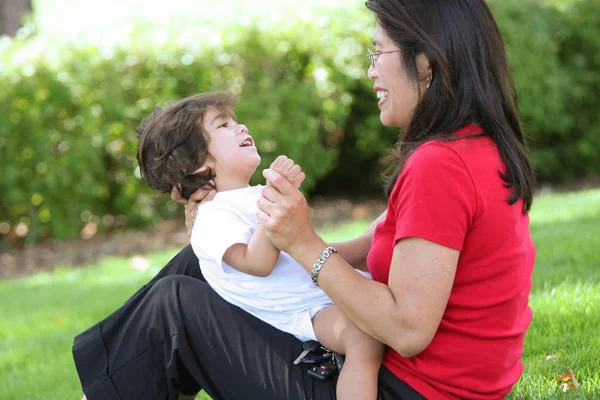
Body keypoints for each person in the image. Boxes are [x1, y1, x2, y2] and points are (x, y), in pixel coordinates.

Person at [73, 0, 536, 399]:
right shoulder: (475, 147)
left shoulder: (440, 166)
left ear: (426, 62)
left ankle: (109, 380)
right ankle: (110, 377)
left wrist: (302, 243)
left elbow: (408, 330)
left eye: (379, 52)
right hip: (428, 380)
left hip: (405, 387)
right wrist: (274, 234)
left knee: (173, 304)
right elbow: (385, 253)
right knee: (197, 262)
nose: (371, 68)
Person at [135, 91, 383, 400]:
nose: (240, 127)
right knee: (363, 339)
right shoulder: (211, 217)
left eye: (235, 121)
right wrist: (277, 205)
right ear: (193, 163)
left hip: (320, 291)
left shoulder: (251, 196)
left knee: (376, 316)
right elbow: (258, 263)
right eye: (223, 125)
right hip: (302, 310)